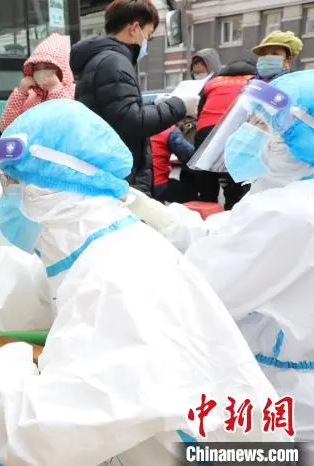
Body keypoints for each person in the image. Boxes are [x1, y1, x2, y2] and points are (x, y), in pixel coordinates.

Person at [0, 99, 287, 465]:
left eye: (12, 183)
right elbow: (18, 288)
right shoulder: (99, 246)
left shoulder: (115, 281)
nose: (5, 195)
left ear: (51, 189)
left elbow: (36, 436)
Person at [126, 70, 314, 444]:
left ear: (301, 136)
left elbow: (203, 288)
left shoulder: (292, 212)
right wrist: (159, 215)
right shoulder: (287, 192)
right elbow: (228, 236)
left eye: (265, 124)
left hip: (284, 392)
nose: (253, 133)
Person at [71, 0, 197, 196]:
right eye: (148, 34)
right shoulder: (114, 62)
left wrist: (152, 105)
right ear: (134, 28)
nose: (149, 39)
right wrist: (179, 104)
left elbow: (115, 111)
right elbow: (131, 121)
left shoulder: (102, 59)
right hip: (121, 178)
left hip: (110, 170)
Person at [194, 59, 256, 207]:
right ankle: (232, 213)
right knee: (236, 183)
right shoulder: (254, 81)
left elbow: (199, 109)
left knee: (206, 181)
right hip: (236, 129)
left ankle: (206, 217)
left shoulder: (213, 82)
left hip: (205, 131)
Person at [0, 33, 74, 131]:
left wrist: (55, 89)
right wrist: (20, 93)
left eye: (48, 67)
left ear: (62, 68)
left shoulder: (73, 92)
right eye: (36, 68)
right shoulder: (29, 96)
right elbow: (5, 127)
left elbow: (70, 122)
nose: (41, 72)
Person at [150, 117, 197, 202]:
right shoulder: (168, 130)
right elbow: (191, 156)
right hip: (158, 185)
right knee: (190, 180)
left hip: (136, 185)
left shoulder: (133, 127)